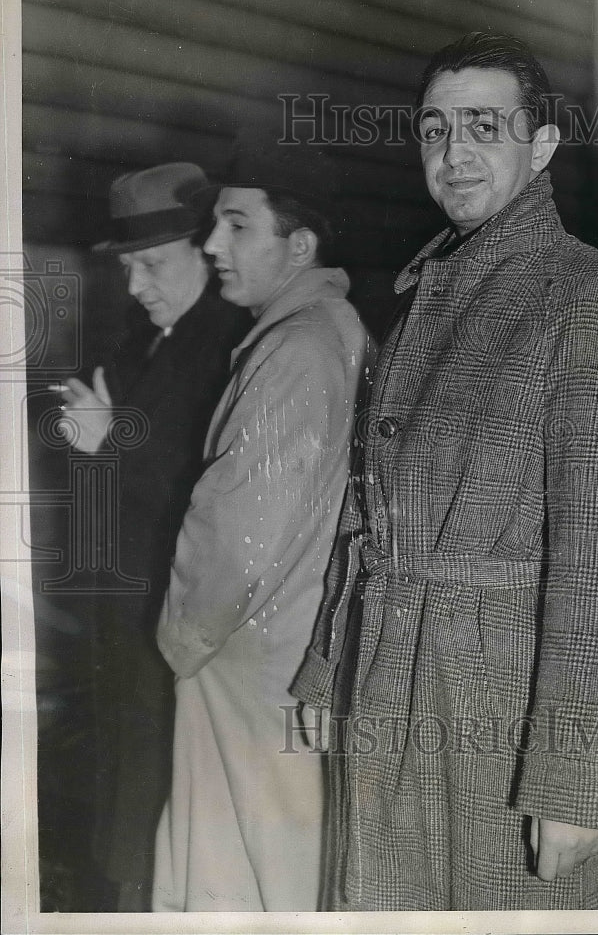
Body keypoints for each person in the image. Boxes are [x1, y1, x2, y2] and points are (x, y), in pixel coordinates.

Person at [293, 32, 598, 910]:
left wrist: (575, 779)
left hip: (502, 716)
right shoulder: (428, 299)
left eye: (482, 127)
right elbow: (367, 513)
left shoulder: (592, 299)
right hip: (391, 684)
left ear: (540, 145)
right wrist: (327, 661)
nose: (453, 154)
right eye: (434, 130)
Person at [151, 138, 374, 912]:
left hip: (247, 661)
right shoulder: (315, 335)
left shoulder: (298, 348)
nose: (212, 244)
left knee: (243, 886)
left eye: (237, 226)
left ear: (299, 245)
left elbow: (239, 528)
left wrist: (181, 639)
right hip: (277, 655)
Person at [55, 162, 251, 910]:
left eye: (152, 264)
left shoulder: (233, 348)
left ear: (205, 251)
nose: (136, 283)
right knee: (127, 788)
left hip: (184, 626)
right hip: (125, 615)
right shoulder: (139, 344)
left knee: (168, 804)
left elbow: (214, 498)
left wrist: (110, 446)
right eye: (128, 266)